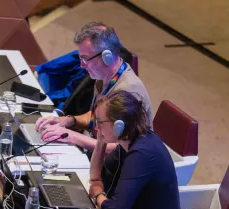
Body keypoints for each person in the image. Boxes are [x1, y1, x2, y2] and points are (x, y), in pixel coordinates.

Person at [35, 21, 152, 155]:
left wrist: (71, 136)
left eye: (85, 59)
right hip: (99, 154)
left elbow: (122, 148)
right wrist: (68, 120)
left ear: (106, 57)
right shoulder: (104, 77)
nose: (81, 65)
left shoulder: (128, 90)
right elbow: (98, 117)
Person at [89, 90, 181, 209]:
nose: (96, 127)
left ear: (118, 125)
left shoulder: (141, 155)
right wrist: (101, 142)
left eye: (99, 122)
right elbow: (96, 178)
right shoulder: (129, 139)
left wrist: (97, 194)